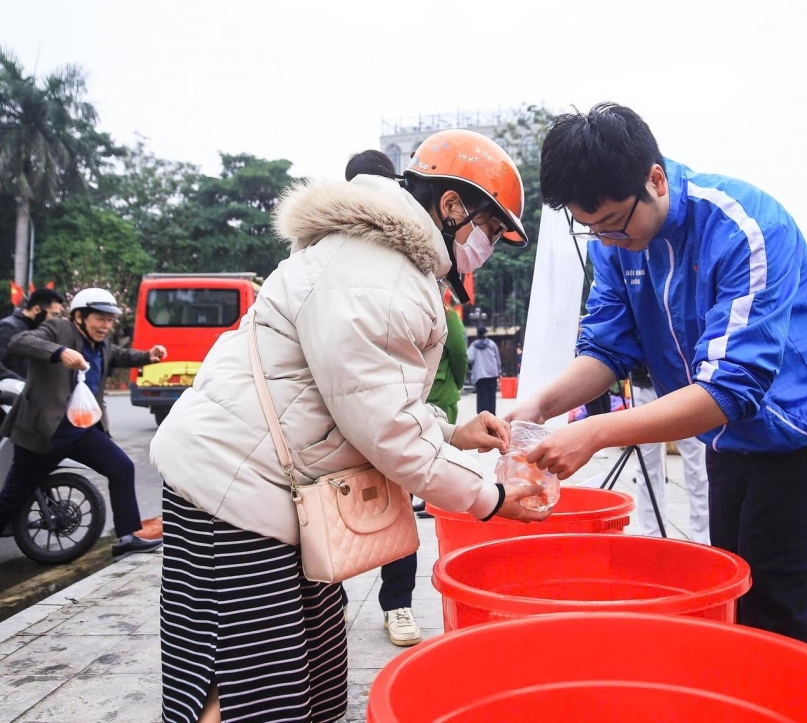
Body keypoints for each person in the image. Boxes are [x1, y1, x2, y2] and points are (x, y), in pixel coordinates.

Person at [151, 130, 548, 723]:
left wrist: (451, 433)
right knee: (242, 683)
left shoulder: (380, 262)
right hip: (232, 490)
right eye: (489, 227)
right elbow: (386, 431)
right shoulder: (378, 274)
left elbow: (368, 400)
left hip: (273, 487)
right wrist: (489, 498)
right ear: (451, 205)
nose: (487, 244)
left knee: (305, 674)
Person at [509, 103, 807, 645]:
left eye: (614, 225)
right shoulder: (616, 244)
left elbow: (730, 388)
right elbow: (605, 348)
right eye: (591, 230)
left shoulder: (742, 225)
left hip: (796, 422)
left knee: (777, 606)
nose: (607, 242)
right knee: (731, 585)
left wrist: (596, 431)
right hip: (721, 432)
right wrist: (537, 408)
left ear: (655, 179)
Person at [342, 150, 470, 648]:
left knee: (396, 520)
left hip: (405, 413)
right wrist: (488, 498)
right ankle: (332, 604)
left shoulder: (414, 275)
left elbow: (434, 368)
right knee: (329, 526)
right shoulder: (351, 264)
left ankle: (396, 605)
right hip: (356, 424)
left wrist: (451, 427)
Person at [0, 288, 165, 557]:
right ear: (79, 316)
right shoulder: (58, 329)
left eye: (110, 320)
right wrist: (60, 352)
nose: (106, 325)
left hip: (81, 431)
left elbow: (119, 355)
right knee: (13, 496)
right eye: (100, 319)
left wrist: (148, 356)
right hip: (43, 433)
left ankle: (126, 537)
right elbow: (20, 342)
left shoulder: (101, 343)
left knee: (121, 467)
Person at [628, 363, 709, 543]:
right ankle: (652, 535)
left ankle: (703, 538)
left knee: (697, 465)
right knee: (647, 466)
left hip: (683, 382)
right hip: (644, 381)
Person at [0, 287, 65, 380]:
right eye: (53, 315)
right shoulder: (8, 327)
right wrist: (19, 384)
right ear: (37, 309)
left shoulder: (41, 331)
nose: (55, 320)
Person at [468, 325, 502, 415]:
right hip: (492, 374)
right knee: (491, 398)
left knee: (482, 398)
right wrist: (499, 371)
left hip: (480, 375)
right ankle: (492, 417)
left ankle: (483, 418)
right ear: (485, 333)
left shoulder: (474, 345)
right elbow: (498, 360)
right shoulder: (492, 344)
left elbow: (469, 359)